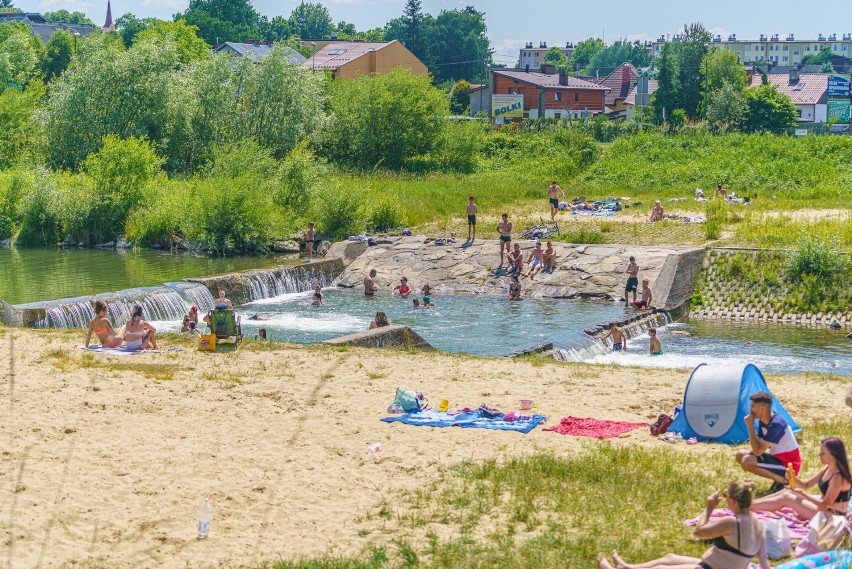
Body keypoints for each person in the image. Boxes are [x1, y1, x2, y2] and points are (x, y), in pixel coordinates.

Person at [597, 480, 771, 569]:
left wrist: (709, 508)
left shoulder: (732, 522)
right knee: (669, 558)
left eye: (726, 496)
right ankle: (627, 567)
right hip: (718, 566)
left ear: (732, 500)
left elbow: (699, 532)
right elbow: (763, 560)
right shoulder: (757, 523)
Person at [750, 437, 850, 520]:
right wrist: (793, 477)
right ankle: (750, 504)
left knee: (787, 498)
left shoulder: (838, 477)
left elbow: (826, 505)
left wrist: (803, 494)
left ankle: (746, 506)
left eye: (823, 453)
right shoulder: (827, 468)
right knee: (787, 492)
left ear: (833, 455)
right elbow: (806, 485)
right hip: (824, 511)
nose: (820, 455)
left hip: (833, 516)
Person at [735, 391, 802, 492]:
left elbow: (758, 451)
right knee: (740, 455)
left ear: (762, 409)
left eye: (753, 406)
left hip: (788, 466)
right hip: (778, 459)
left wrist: (750, 427)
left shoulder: (776, 425)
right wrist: (746, 454)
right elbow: (757, 443)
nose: (750, 410)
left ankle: (783, 480)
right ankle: (779, 479)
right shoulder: (764, 419)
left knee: (747, 461)